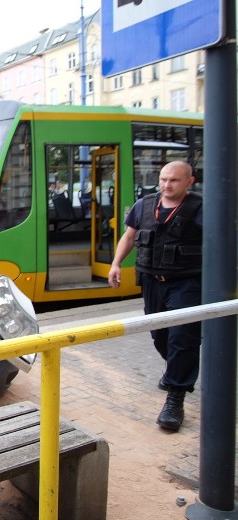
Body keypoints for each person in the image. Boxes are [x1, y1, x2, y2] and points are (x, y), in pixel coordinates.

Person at [108, 161, 202, 431]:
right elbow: (128, 237)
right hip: (152, 281)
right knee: (160, 335)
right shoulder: (144, 205)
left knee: (182, 336)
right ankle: (175, 371)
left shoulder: (200, 209)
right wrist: (116, 264)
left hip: (186, 282)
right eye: (163, 179)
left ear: (189, 182)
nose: (166, 185)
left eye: (174, 180)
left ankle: (176, 396)